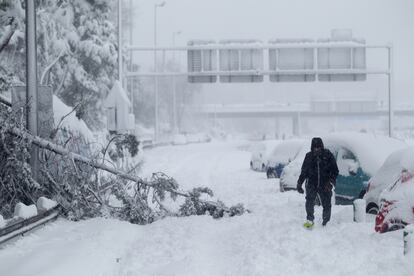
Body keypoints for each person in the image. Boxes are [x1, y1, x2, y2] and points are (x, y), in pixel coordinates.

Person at [297, 137, 339, 228]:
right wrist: (299, 183)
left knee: (327, 204)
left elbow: (335, 170)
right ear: (312, 147)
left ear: (322, 147)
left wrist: (331, 182)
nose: (316, 149)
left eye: (318, 147)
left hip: (325, 184)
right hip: (311, 183)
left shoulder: (328, 155)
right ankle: (310, 219)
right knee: (309, 201)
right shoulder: (308, 156)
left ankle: (326, 222)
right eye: (315, 147)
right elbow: (303, 171)